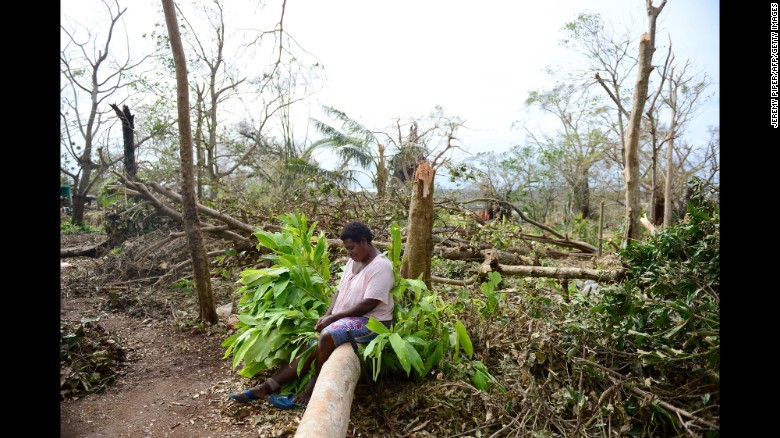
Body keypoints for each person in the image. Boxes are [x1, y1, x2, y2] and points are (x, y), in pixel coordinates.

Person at [229, 220, 395, 405]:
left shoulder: (381, 266)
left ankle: (312, 387)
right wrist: (328, 314)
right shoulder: (352, 261)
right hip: (346, 318)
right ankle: (266, 388)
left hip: (371, 322)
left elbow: (369, 304)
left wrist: (333, 319)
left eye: (351, 248)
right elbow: (339, 292)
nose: (349, 252)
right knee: (310, 345)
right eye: (346, 249)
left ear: (364, 241)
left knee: (326, 336)